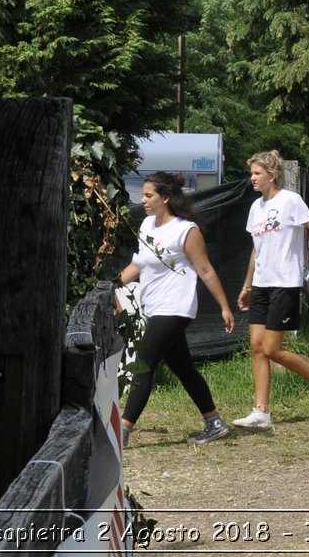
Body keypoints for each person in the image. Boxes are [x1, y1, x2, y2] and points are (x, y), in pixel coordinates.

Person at [233, 150, 309, 428]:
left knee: (272, 348)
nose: (252, 178)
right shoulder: (255, 208)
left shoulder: (291, 201)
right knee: (256, 348)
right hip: (261, 284)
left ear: (272, 176)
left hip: (285, 284)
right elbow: (256, 250)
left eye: (257, 173)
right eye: (251, 173)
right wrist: (247, 285)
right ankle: (261, 411)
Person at [117, 172, 236, 447]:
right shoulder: (147, 225)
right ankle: (214, 422)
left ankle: (121, 430)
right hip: (154, 305)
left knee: (143, 364)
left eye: (149, 195)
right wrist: (112, 289)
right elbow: (139, 265)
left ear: (165, 198)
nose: (143, 200)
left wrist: (224, 307)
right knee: (182, 366)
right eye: (143, 195)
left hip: (176, 307)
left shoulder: (186, 230)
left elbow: (205, 271)